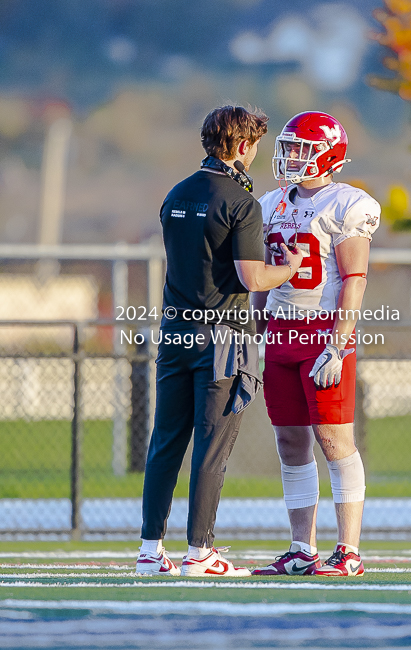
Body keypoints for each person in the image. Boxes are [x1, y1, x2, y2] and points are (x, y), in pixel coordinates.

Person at [136, 105, 303, 578]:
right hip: (222, 339)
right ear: (245, 146)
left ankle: (150, 551)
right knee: (212, 446)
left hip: (174, 333)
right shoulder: (241, 201)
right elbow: (252, 278)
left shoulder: (175, 194)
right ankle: (199, 552)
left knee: (165, 442)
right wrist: (288, 268)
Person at [251, 111, 380, 577]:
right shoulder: (270, 203)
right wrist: (253, 327)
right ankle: (301, 548)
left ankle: (348, 551)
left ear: (329, 154)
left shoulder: (347, 204)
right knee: (289, 442)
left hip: (323, 331)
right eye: (288, 147)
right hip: (280, 333)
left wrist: (337, 344)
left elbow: (355, 280)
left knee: (333, 439)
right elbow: (263, 276)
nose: (291, 157)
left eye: (302, 148)